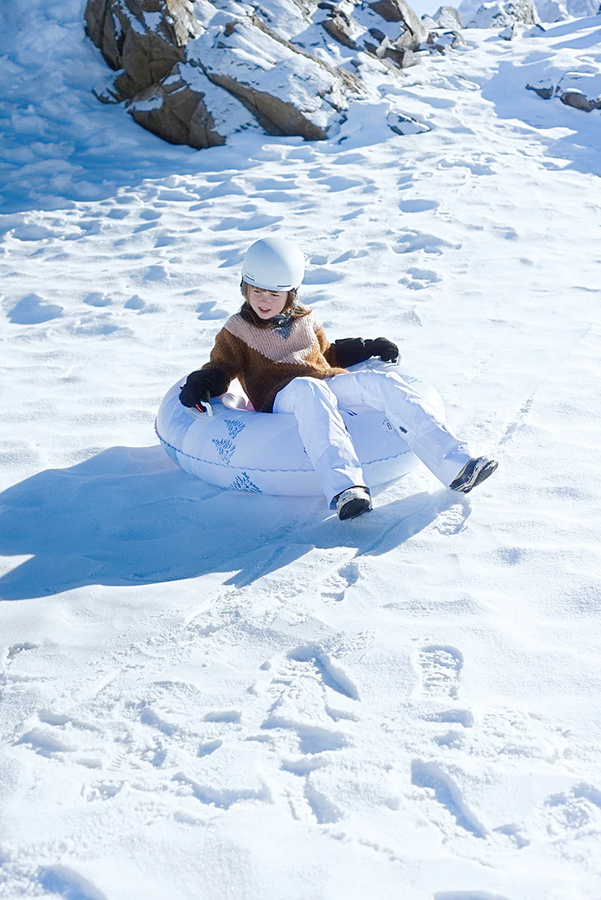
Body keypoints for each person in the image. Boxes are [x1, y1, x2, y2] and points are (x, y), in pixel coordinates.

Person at [179, 236, 498, 520]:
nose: (264, 300)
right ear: (245, 288)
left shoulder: (306, 318)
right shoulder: (236, 330)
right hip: (282, 397)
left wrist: (367, 347)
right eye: (256, 291)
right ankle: (347, 489)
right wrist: (202, 383)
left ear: (290, 294)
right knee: (309, 389)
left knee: (380, 383)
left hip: (324, 382)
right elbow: (221, 367)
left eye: (274, 294)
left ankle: (457, 465)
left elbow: (327, 354)